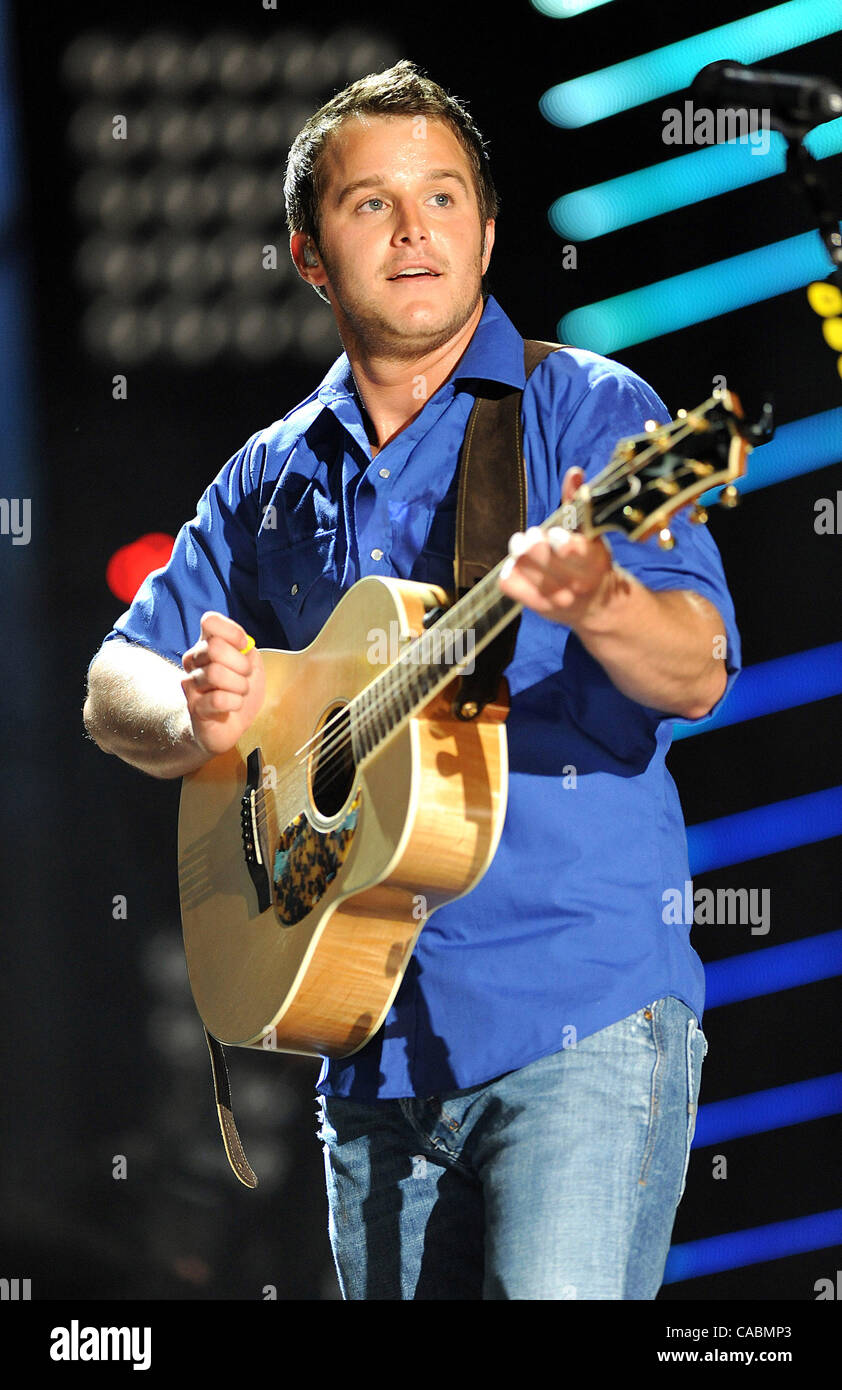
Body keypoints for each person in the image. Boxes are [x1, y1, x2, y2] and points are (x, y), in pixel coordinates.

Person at [84, 61, 740, 1300]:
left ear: (488, 230)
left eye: (442, 198)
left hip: (579, 1017)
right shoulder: (269, 474)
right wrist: (193, 711)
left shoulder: (590, 412)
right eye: (370, 204)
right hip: (361, 1041)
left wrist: (596, 594)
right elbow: (112, 680)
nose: (413, 229)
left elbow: (697, 668)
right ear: (309, 255)